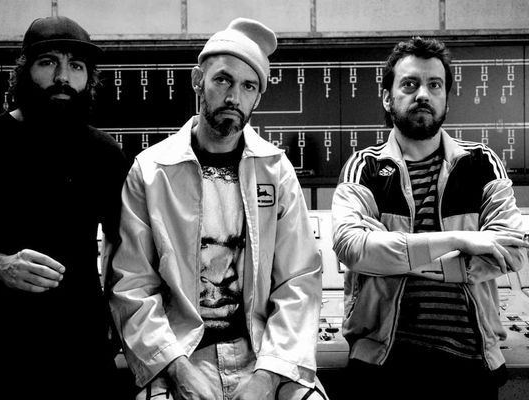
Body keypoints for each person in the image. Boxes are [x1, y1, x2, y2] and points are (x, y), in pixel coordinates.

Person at [107, 17, 327, 400]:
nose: (234, 97)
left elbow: (299, 281)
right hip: (182, 352)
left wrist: (268, 376)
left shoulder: (275, 170)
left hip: (264, 351)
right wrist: (177, 369)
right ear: (198, 80)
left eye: (248, 86)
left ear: (258, 97)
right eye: (223, 80)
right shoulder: (152, 171)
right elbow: (132, 285)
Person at [0, 16, 128, 396]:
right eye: (48, 62)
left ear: (88, 78)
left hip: (83, 363)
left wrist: (118, 317)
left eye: (76, 66)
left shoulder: (104, 154)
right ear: (24, 70)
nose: (63, 78)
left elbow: (125, 249)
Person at [331, 36, 529, 400]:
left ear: (446, 99)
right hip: (383, 363)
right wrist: (459, 241)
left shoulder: (482, 163)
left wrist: (394, 257)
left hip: (471, 362)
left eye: (434, 85)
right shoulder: (365, 167)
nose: (423, 94)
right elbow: (353, 248)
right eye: (409, 84)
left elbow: (513, 250)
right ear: (387, 98)